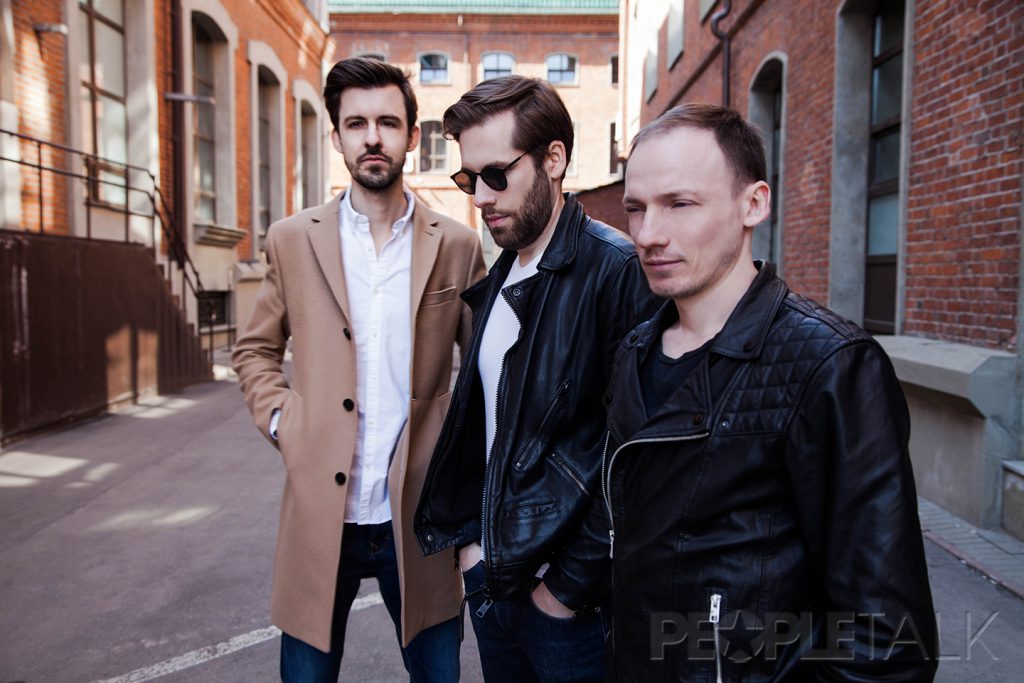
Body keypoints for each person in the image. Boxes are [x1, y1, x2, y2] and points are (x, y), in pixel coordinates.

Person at [602, 103, 938, 681]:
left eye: (680, 204)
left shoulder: (829, 364)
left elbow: (886, 641)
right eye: (636, 208)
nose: (648, 234)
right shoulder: (635, 349)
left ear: (754, 204)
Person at [232, 57, 485, 682]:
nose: (373, 138)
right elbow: (255, 349)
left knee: (437, 674)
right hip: (321, 514)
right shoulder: (292, 239)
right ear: (337, 136)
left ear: (412, 135)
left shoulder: (456, 245)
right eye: (357, 124)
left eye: (388, 123)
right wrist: (282, 422)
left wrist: (456, 449)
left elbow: (484, 365)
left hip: (418, 515)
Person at [413, 76, 655, 682]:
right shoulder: (500, 276)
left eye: (497, 174)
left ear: (554, 159)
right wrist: (473, 553)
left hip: (569, 608)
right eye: (469, 178)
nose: (480, 197)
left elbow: (637, 456)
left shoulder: (616, 271)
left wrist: (566, 590)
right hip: (493, 580)